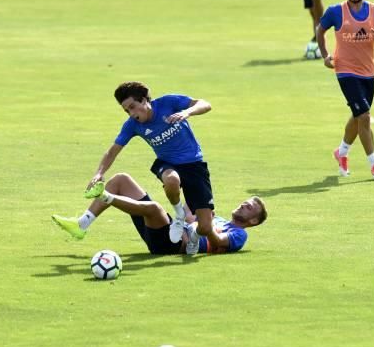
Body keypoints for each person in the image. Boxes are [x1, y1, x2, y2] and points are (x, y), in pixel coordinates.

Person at [85, 81, 215, 245]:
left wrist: (188, 112)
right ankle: (179, 215)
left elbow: (205, 104)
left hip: (194, 165)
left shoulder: (168, 102)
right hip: (167, 163)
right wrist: (99, 173)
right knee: (172, 180)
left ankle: (194, 238)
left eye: (132, 107)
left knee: (205, 227)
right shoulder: (133, 125)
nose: (131, 113)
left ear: (144, 100)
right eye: (126, 110)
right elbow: (112, 151)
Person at [51, 173, 267, 255]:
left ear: (254, 221)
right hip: (169, 231)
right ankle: (81, 225)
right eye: (244, 202)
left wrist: (205, 226)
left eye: (249, 208)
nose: (243, 205)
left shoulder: (240, 235)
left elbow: (218, 240)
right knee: (122, 180)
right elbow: (188, 216)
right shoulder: (217, 217)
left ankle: (106, 196)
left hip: (173, 246)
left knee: (154, 208)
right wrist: (172, 186)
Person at [316, 0, 374, 180]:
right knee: (365, 116)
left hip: (368, 72)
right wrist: (325, 56)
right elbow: (320, 30)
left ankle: (341, 152)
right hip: (345, 71)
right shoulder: (336, 11)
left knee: (359, 116)